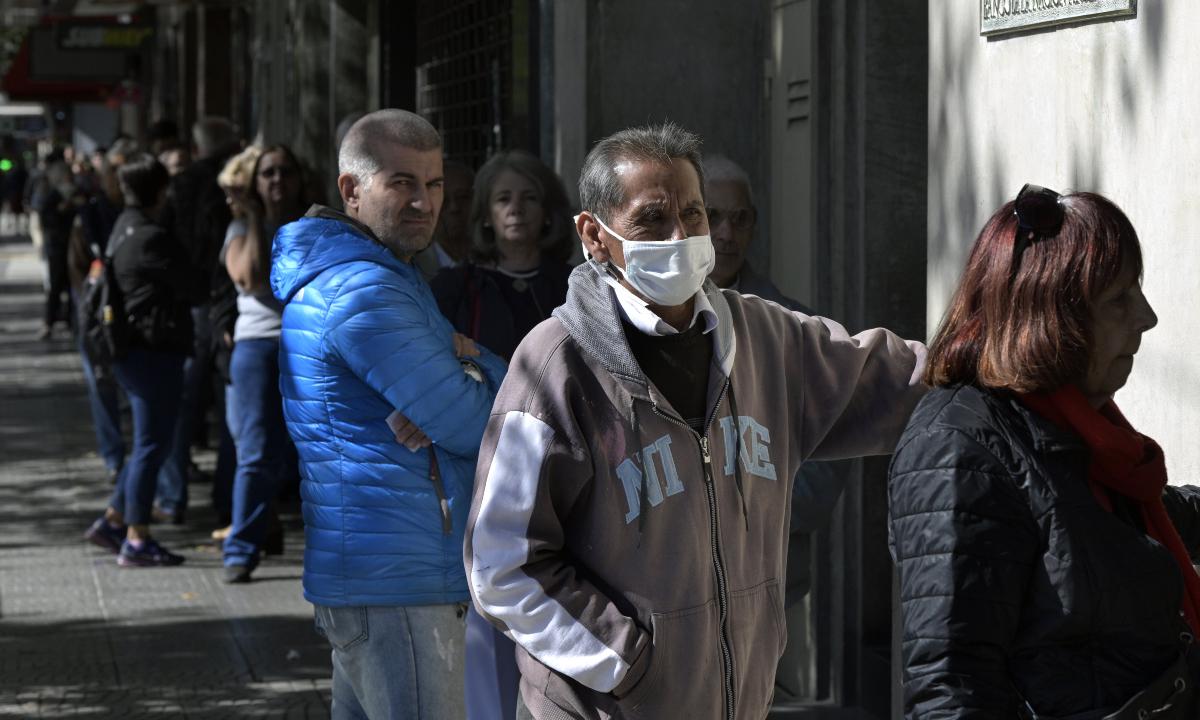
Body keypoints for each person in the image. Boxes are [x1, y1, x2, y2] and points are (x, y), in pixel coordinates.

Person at [464, 122, 927, 719]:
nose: (680, 236)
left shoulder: (765, 336)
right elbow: (502, 565)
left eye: (694, 214)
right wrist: (625, 661)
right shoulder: (555, 366)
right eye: (652, 220)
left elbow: (894, 378)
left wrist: (1004, 364)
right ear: (594, 235)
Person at [890, 185, 1200, 718]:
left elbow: (1095, 531)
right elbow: (951, 688)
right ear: (1053, 316)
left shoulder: (1069, 423)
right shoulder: (957, 450)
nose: (1146, 318)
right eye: (1119, 299)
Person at [271, 109, 507, 719]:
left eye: (434, 185)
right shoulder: (364, 290)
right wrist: (480, 364)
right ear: (352, 190)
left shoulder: (376, 276)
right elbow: (482, 425)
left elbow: (453, 409)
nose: (424, 203)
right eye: (401, 183)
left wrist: (464, 369)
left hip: (383, 574)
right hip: (399, 583)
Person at [702, 153, 847, 702]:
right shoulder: (646, 322)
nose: (726, 232)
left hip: (769, 572)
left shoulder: (795, 327)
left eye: (740, 218)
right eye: (712, 216)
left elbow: (826, 464)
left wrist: (749, 511)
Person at [82, 154, 192, 567]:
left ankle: (113, 519)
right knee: (150, 446)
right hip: (152, 353)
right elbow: (193, 284)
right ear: (160, 191)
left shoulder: (122, 228)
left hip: (133, 352)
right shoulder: (149, 235)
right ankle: (137, 537)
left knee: (148, 444)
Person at [218, 144, 307, 583]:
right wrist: (255, 218)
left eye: (285, 172)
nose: (277, 181)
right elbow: (252, 278)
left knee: (311, 449)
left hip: (308, 343)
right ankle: (241, 548)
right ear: (255, 182)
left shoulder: (313, 224)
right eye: (267, 173)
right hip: (257, 346)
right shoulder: (240, 226)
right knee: (254, 451)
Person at [156, 116, 240, 524]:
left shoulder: (180, 185)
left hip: (189, 303)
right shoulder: (230, 185)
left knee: (180, 404)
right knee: (229, 405)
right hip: (224, 302)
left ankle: (173, 498)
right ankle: (227, 499)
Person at [431, 150, 574, 361]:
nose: (516, 209)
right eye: (503, 199)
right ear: (486, 215)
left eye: (530, 198)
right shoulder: (454, 288)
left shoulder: (575, 285)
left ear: (547, 212)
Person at [68, 138, 138, 483]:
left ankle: (141, 462)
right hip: (98, 317)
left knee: (136, 392)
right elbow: (78, 267)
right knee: (102, 388)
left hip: (136, 319)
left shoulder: (145, 215)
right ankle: (115, 459)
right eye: (118, 171)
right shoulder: (92, 215)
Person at [414, 158, 474, 279]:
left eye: (462, 197)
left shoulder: (498, 263)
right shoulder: (414, 269)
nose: (454, 208)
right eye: (443, 199)